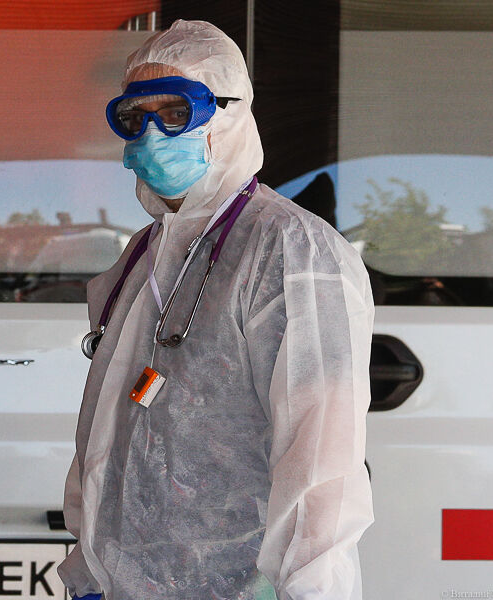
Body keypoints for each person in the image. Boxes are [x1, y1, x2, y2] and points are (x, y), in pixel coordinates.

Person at [58, 19, 375, 600]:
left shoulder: (291, 250)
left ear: (228, 116)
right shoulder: (144, 255)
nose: (152, 134)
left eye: (175, 112)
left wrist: (313, 590)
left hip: (245, 586)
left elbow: (321, 461)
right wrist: (90, 564)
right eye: (135, 116)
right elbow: (106, 432)